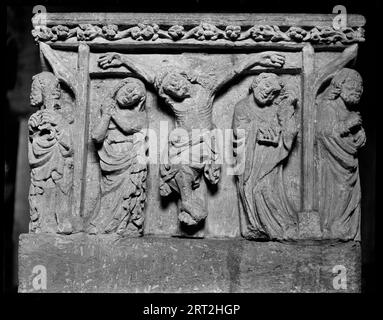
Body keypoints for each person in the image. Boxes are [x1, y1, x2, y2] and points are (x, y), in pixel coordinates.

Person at [98, 52, 286, 227]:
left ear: (184, 76)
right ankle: (188, 203)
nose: (175, 88)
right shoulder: (173, 102)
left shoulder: (206, 89)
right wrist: (123, 59)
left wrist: (259, 58)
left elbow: (233, 70)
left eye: (175, 81)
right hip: (181, 141)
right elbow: (148, 75)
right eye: (170, 89)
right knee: (170, 166)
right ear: (167, 95)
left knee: (181, 166)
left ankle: (188, 201)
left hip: (204, 140)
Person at [233, 73, 299, 240]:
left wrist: (288, 105)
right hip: (251, 160)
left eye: (272, 93)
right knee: (253, 189)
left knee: (267, 189)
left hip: (270, 158)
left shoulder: (274, 108)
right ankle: (256, 225)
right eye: (266, 87)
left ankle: (281, 226)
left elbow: (288, 131)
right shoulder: (242, 107)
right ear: (256, 84)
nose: (267, 94)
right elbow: (237, 133)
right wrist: (257, 127)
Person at [88, 77, 148, 236]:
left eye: (135, 97)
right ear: (118, 88)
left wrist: (112, 113)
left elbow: (129, 127)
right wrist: (106, 115)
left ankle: (124, 227)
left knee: (127, 196)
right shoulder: (107, 111)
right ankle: (104, 225)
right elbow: (96, 136)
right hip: (111, 161)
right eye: (128, 91)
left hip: (130, 161)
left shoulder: (140, 116)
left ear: (139, 102)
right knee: (108, 196)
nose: (130, 96)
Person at [316, 68, 365, 241]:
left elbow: (355, 138)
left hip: (349, 165)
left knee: (350, 194)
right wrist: (347, 125)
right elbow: (324, 134)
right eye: (352, 85)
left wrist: (359, 135)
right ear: (339, 85)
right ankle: (332, 226)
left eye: (360, 86)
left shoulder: (351, 112)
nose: (357, 89)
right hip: (332, 164)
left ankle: (341, 227)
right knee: (339, 192)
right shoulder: (327, 107)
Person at [28, 72, 75, 234]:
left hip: (60, 166)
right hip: (41, 167)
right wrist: (33, 132)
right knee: (41, 195)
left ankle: (62, 222)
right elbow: (34, 147)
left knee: (59, 192)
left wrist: (59, 123)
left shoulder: (66, 113)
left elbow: (70, 146)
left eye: (34, 90)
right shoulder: (36, 116)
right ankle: (42, 225)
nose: (31, 94)